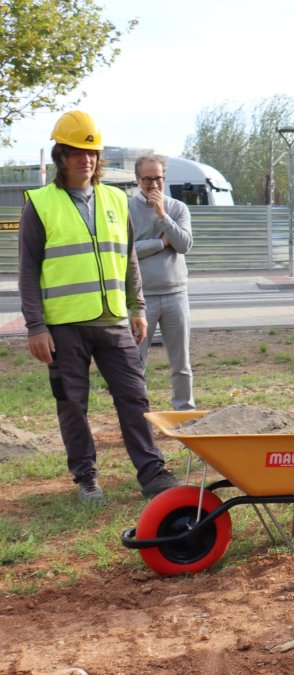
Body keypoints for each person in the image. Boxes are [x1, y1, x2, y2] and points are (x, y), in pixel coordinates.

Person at [17, 110, 179, 504]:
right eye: (75, 152)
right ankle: (87, 478)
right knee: (72, 404)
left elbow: (128, 259)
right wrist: (35, 326)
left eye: (91, 153)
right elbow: (27, 268)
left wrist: (137, 307)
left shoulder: (114, 199)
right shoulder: (40, 204)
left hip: (114, 321)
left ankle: (152, 473)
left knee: (135, 396)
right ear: (61, 156)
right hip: (63, 325)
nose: (84, 160)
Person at [131, 154, 195, 411]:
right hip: (140, 298)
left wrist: (162, 216)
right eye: (147, 179)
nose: (153, 185)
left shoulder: (177, 208)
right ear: (138, 180)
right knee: (136, 363)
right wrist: (160, 243)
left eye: (158, 178)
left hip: (176, 294)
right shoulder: (126, 210)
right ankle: (139, 414)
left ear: (164, 178)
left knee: (181, 363)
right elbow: (127, 251)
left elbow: (184, 244)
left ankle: (184, 412)